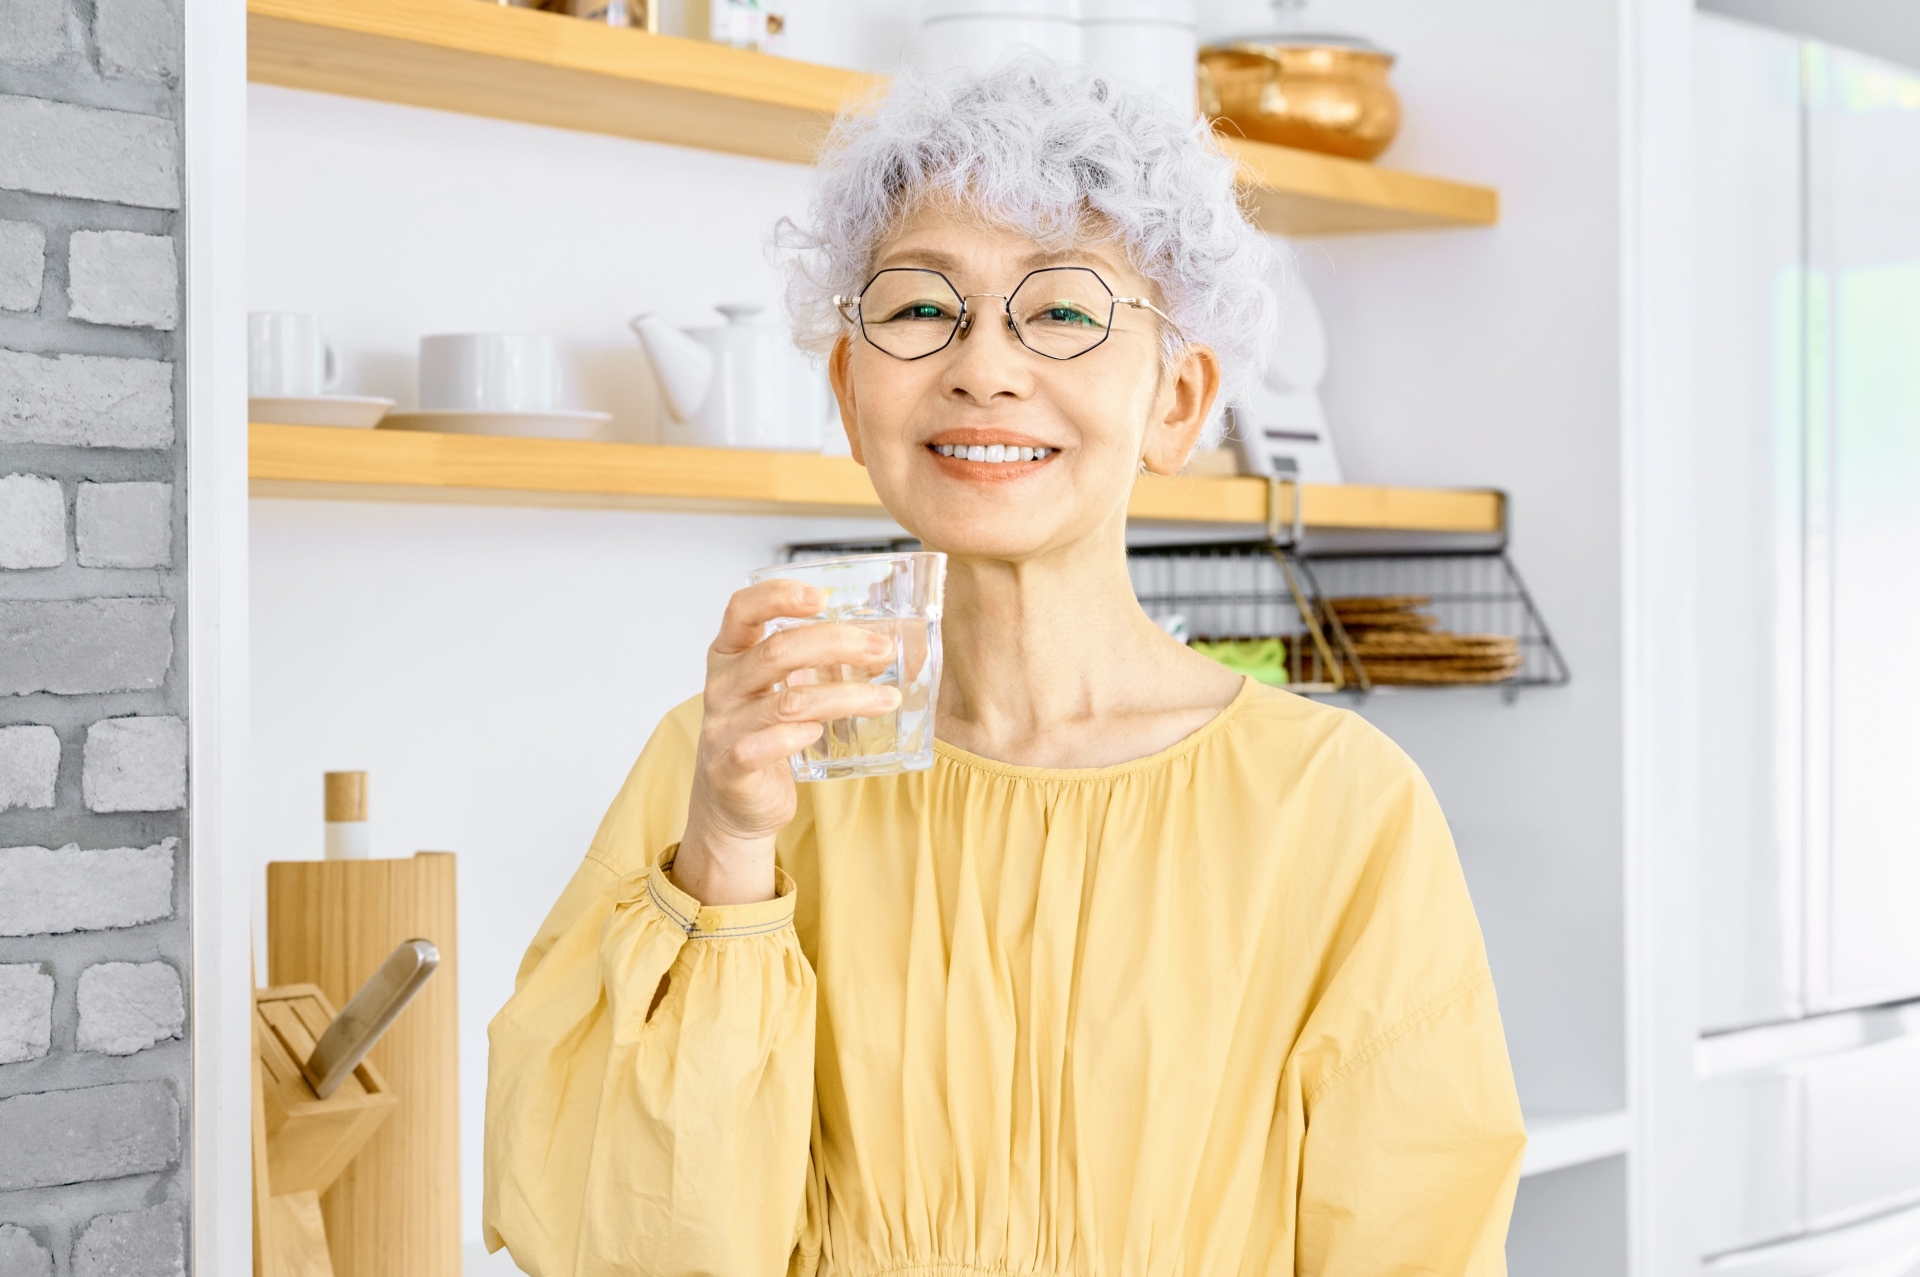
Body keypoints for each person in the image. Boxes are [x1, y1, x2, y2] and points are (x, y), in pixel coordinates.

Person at [484, 60, 1526, 1277]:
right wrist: (724, 853)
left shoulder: (1341, 809)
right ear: (850, 385)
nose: (984, 365)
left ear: (1177, 400)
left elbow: (1418, 1240)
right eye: (922, 309)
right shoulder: (725, 764)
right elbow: (637, 1243)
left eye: (1065, 311)